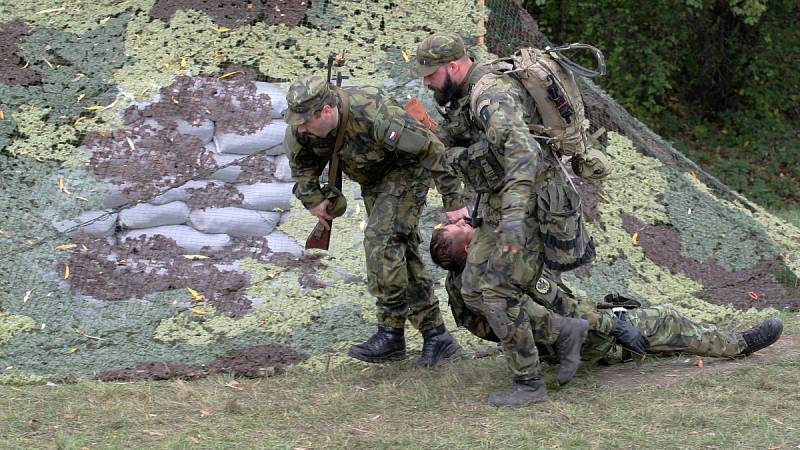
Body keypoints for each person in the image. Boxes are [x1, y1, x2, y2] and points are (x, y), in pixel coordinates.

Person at [413, 32, 592, 406]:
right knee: (473, 289)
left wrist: (512, 219)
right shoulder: (464, 96)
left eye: (431, 75)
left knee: (495, 292)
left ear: (454, 66)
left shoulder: (489, 96)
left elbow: (523, 152)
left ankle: (528, 383)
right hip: (498, 205)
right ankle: (564, 333)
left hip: (525, 203)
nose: (427, 82)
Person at [283, 75, 470, 368]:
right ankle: (437, 336)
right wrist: (313, 199)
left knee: (381, 241)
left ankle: (390, 331)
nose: (301, 129)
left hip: (407, 171)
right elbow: (301, 164)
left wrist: (454, 202)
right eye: (297, 123)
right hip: (373, 181)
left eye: (306, 122)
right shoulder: (302, 128)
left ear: (328, 111)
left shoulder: (374, 113)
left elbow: (431, 149)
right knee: (400, 253)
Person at [430, 220, 784, 366]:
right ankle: (739, 345)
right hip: (577, 337)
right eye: (461, 228)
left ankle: (634, 346)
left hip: (551, 347)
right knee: (667, 319)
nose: (466, 223)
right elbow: (562, 305)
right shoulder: (500, 270)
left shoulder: (460, 287)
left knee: (636, 324)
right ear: (465, 251)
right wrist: (611, 326)